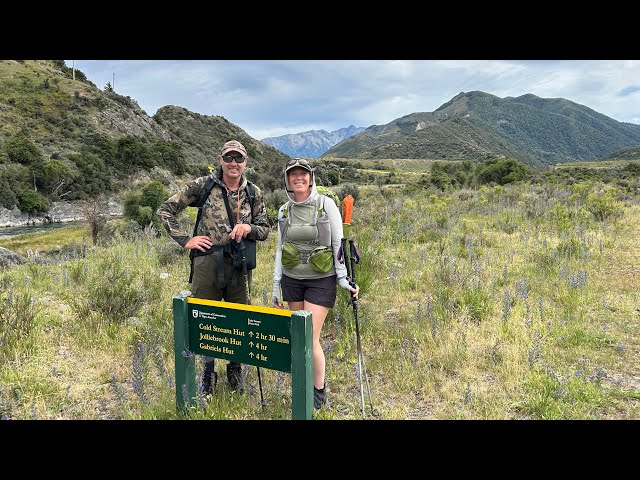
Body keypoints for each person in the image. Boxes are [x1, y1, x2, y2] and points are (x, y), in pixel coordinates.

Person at [157, 140, 270, 395]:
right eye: (228, 158)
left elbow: (265, 229)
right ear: (220, 159)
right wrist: (186, 240)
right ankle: (208, 373)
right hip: (207, 261)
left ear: (245, 162)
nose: (233, 163)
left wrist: (249, 228)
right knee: (205, 318)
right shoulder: (203, 186)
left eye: (238, 159)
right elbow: (165, 210)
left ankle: (235, 370)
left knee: (239, 318)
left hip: (239, 264)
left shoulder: (253, 192)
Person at [271, 158, 359, 410]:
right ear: (287, 180)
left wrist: (343, 278)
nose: (298, 178)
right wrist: (276, 284)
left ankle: (318, 392)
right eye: (293, 174)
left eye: (303, 174)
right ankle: (302, 385)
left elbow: (338, 245)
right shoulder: (283, 210)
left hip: (321, 280)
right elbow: (279, 249)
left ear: (311, 178)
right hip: (291, 280)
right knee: (297, 338)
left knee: (310, 337)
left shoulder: (326, 204)